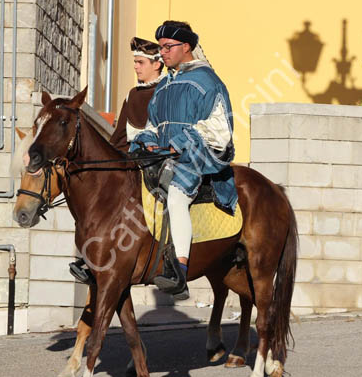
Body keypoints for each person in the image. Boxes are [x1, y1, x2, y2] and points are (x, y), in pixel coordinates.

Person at [131, 20, 237, 299]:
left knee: (177, 195)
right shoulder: (165, 84)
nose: (162, 53)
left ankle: (179, 270)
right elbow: (153, 124)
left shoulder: (208, 81)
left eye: (168, 47)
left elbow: (219, 132)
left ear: (186, 47)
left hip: (197, 155)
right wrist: (149, 141)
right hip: (164, 156)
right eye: (161, 48)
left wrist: (181, 144)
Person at [69, 37, 164, 284]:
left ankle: (169, 255)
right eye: (135, 62)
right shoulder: (132, 95)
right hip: (132, 163)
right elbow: (119, 137)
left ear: (157, 65)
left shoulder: (169, 91)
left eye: (140, 62)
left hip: (160, 162)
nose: (136, 67)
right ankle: (93, 258)